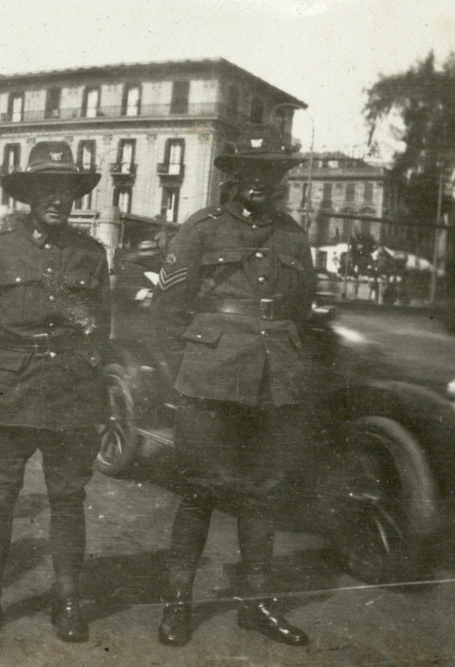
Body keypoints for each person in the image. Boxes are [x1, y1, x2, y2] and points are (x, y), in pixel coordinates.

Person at [150, 129, 315, 648]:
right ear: (235, 177)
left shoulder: (293, 236)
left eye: (272, 172)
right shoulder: (200, 230)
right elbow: (168, 315)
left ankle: (257, 605)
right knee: (199, 491)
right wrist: (192, 375)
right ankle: (178, 604)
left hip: (274, 382)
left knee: (263, 495)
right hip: (210, 380)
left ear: (281, 178)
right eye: (252, 171)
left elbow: (301, 307)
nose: (262, 181)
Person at [0, 140, 110, 643]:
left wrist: (76, 370)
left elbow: (101, 327)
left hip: (71, 398)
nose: (57, 199)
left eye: (66, 189)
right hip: (9, 397)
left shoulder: (92, 253)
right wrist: (2, 370)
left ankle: (66, 599)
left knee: (68, 499)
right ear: (28, 194)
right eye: (46, 187)